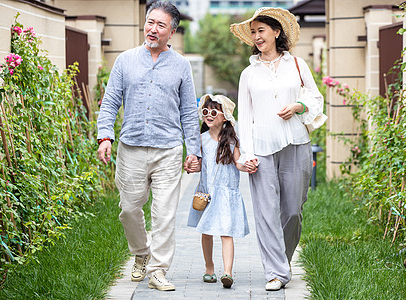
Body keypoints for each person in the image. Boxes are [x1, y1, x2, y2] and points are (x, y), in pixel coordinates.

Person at [97, 1, 201, 292]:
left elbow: (188, 113)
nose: (153, 29)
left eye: (161, 25)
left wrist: (193, 150)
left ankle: (158, 270)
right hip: (130, 148)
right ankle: (141, 252)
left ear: (172, 31)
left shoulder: (181, 66)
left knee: (165, 214)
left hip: (168, 149)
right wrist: (105, 136)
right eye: (150, 22)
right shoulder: (125, 60)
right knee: (129, 209)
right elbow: (110, 103)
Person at [230, 7, 325, 291]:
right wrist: (246, 154)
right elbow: (244, 118)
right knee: (266, 211)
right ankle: (276, 272)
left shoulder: (297, 65)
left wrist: (299, 106)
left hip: (296, 144)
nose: (257, 37)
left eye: (261, 31)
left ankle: (281, 261)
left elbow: (316, 99)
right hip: (261, 148)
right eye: (253, 32)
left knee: (293, 211)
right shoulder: (248, 73)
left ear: (276, 32)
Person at [186, 94, 257, 289]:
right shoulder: (200, 139)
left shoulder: (232, 140)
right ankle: (209, 268)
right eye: (205, 112)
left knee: (226, 233)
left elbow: (238, 163)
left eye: (213, 112)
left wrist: (247, 166)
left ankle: (228, 272)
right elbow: (201, 165)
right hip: (207, 193)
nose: (208, 115)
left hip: (226, 194)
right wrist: (192, 165)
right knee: (206, 231)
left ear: (224, 117)